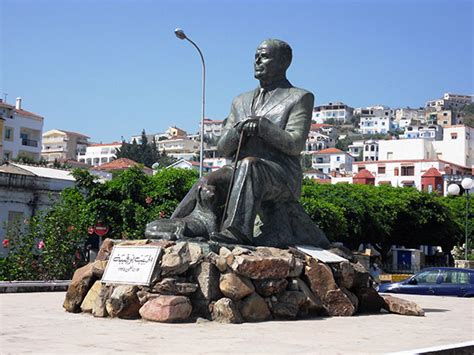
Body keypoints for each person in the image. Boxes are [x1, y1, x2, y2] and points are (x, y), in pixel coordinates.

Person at [146, 39, 329, 248]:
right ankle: (175, 222)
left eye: (264, 56)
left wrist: (264, 127)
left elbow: (295, 144)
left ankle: (236, 231)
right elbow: (223, 148)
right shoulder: (240, 101)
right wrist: (237, 130)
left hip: (281, 174)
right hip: (240, 170)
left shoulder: (299, 97)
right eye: (256, 56)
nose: (257, 61)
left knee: (249, 164)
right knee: (210, 180)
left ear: (284, 62)